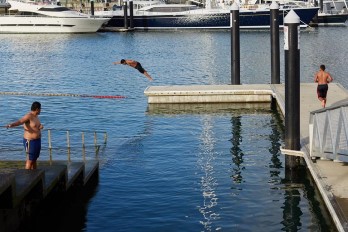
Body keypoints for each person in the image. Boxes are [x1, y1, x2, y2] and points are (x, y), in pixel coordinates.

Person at [6, 102, 43, 170]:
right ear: (37, 109)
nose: (41, 110)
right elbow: (20, 121)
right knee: (30, 160)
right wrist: (11, 125)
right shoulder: (29, 116)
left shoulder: (36, 116)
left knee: (34, 159)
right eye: (40, 109)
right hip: (30, 141)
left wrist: (40, 126)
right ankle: (27, 177)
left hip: (37, 140)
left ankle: (35, 175)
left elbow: (35, 126)